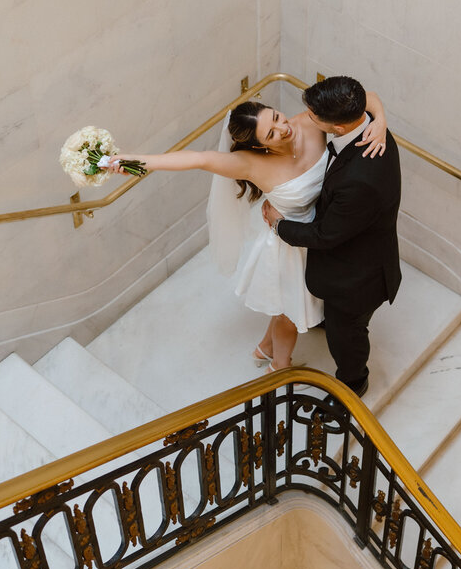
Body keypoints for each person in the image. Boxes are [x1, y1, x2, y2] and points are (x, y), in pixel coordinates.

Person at [108, 90, 388, 371]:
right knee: (289, 315)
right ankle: (280, 367)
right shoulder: (250, 164)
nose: (283, 129)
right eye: (271, 134)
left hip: (320, 232)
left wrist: (380, 121)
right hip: (290, 246)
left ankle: (264, 349)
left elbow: (358, 96)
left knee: (285, 307)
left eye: (277, 117)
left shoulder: (309, 122)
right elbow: (197, 159)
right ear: (258, 146)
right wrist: (130, 162)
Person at [262, 75, 401, 398]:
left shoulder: (360, 180)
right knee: (336, 323)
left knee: (346, 334)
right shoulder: (367, 121)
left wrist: (278, 225)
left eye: (312, 117)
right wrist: (381, 117)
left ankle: (354, 383)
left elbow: (324, 235)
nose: (305, 120)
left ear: (337, 127)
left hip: (359, 278)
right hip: (357, 240)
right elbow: (370, 95)